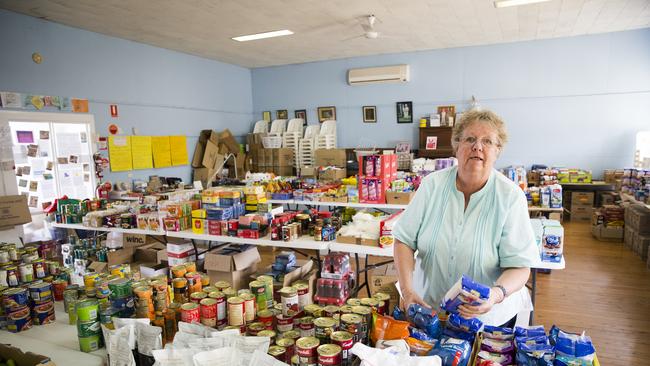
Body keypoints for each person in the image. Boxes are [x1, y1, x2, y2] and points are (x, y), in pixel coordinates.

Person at [392, 109, 539, 327]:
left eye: (487, 141)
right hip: (427, 309)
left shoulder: (510, 196)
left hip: (485, 320)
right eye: (470, 139)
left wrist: (495, 295)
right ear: (457, 146)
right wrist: (407, 290)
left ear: (497, 150)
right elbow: (403, 239)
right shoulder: (432, 185)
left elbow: (520, 267)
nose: (477, 146)